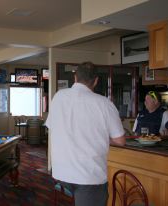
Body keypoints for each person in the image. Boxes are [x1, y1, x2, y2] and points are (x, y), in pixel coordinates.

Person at [46, 62, 125, 206]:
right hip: (88, 176)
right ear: (96, 81)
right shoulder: (104, 103)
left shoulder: (58, 97)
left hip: (62, 173)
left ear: (75, 77)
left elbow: (53, 126)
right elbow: (120, 141)